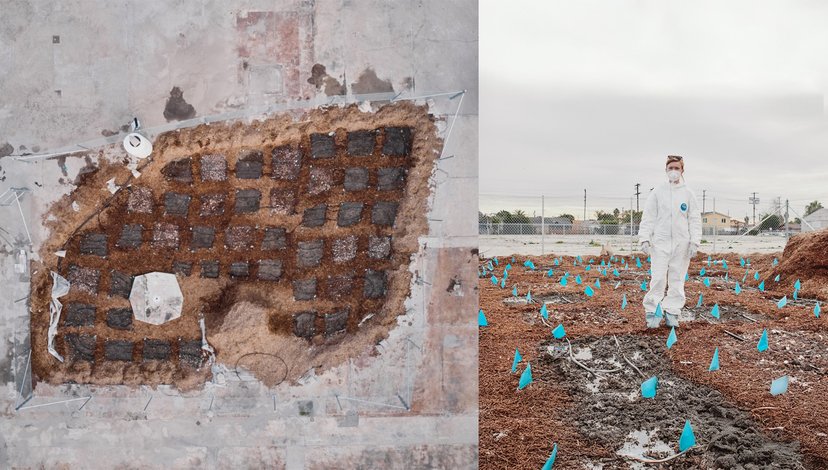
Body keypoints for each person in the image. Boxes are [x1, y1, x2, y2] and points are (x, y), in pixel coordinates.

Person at [638, 155, 702, 328]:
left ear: (682, 170)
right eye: (670, 168)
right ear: (666, 170)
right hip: (660, 242)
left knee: (677, 279)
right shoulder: (658, 192)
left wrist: (694, 241)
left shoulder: (688, 193)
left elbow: (694, 219)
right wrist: (644, 238)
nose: (673, 171)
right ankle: (652, 312)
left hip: (682, 243)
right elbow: (649, 216)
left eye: (677, 168)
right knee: (658, 278)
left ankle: (672, 312)